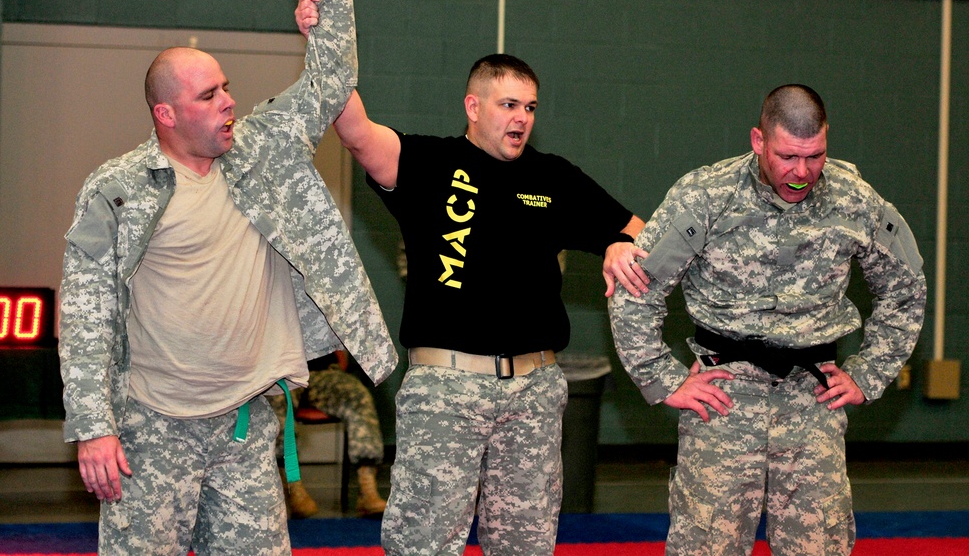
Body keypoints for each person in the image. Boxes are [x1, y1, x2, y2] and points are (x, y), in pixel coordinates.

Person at [57, 0, 396, 555]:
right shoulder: (119, 187)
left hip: (244, 425)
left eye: (227, 88)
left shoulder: (262, 150)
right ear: (166, 114)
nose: (228, 103)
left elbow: (330, 85)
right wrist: (94, 426)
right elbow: (85, 313)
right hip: (150, 432)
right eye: (209, 95)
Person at [322, 52, 650, 554]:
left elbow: (640, 233)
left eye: (531, 107)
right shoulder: (429, 163)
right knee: (423, 544)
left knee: (526, 545)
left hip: (534, 392)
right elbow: (356, 130)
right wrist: (328, 36)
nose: (522, 118)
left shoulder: (553, 178)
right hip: (446, 389)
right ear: (473, 106)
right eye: (509, 104)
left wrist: (618, 244)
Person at [609, 84, 927, 556]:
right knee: (705, 548)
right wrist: (663, 378)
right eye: (787, 156)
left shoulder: (854, 199)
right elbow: (636, 290)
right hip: (722, 399)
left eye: (815, 156)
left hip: (813, 401)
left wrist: (869, 373)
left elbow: (906, 285)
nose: (801, 173)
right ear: (758, 140)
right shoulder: (705, 196)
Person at [269, 349, 389, 518]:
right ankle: (292, 487)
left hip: (324, 372)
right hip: (282, 372)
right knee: (275, 400)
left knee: (358, 395)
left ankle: (367, 489)